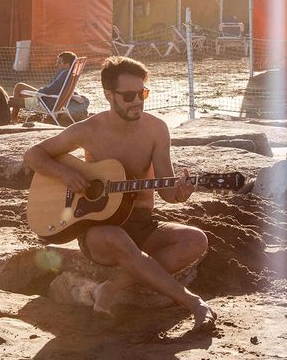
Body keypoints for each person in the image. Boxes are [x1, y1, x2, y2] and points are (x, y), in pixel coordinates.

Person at [23, 56, 216, 331]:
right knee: (116, 237)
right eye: (128, 95)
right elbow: (33, 155)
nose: (137, 101)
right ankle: (193, 302)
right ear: (108, 95)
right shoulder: (88, 130)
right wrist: (66, 174)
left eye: (143, 93)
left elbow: (166, 190)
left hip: (142, 224)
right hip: (99, 229)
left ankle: (110, 288)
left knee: (196, 240)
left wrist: (181, 193)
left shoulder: (156, 129)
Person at [9, 51, 88, 123]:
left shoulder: (64, 74)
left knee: (11, 100)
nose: (56, 64)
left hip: (45, 102)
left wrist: (39, 92)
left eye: (59, 62)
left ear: (67, 65)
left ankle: (13, 119)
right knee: (20, 87)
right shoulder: (71, 75)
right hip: (55, 101)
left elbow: (51, 89)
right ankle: (14, 118)